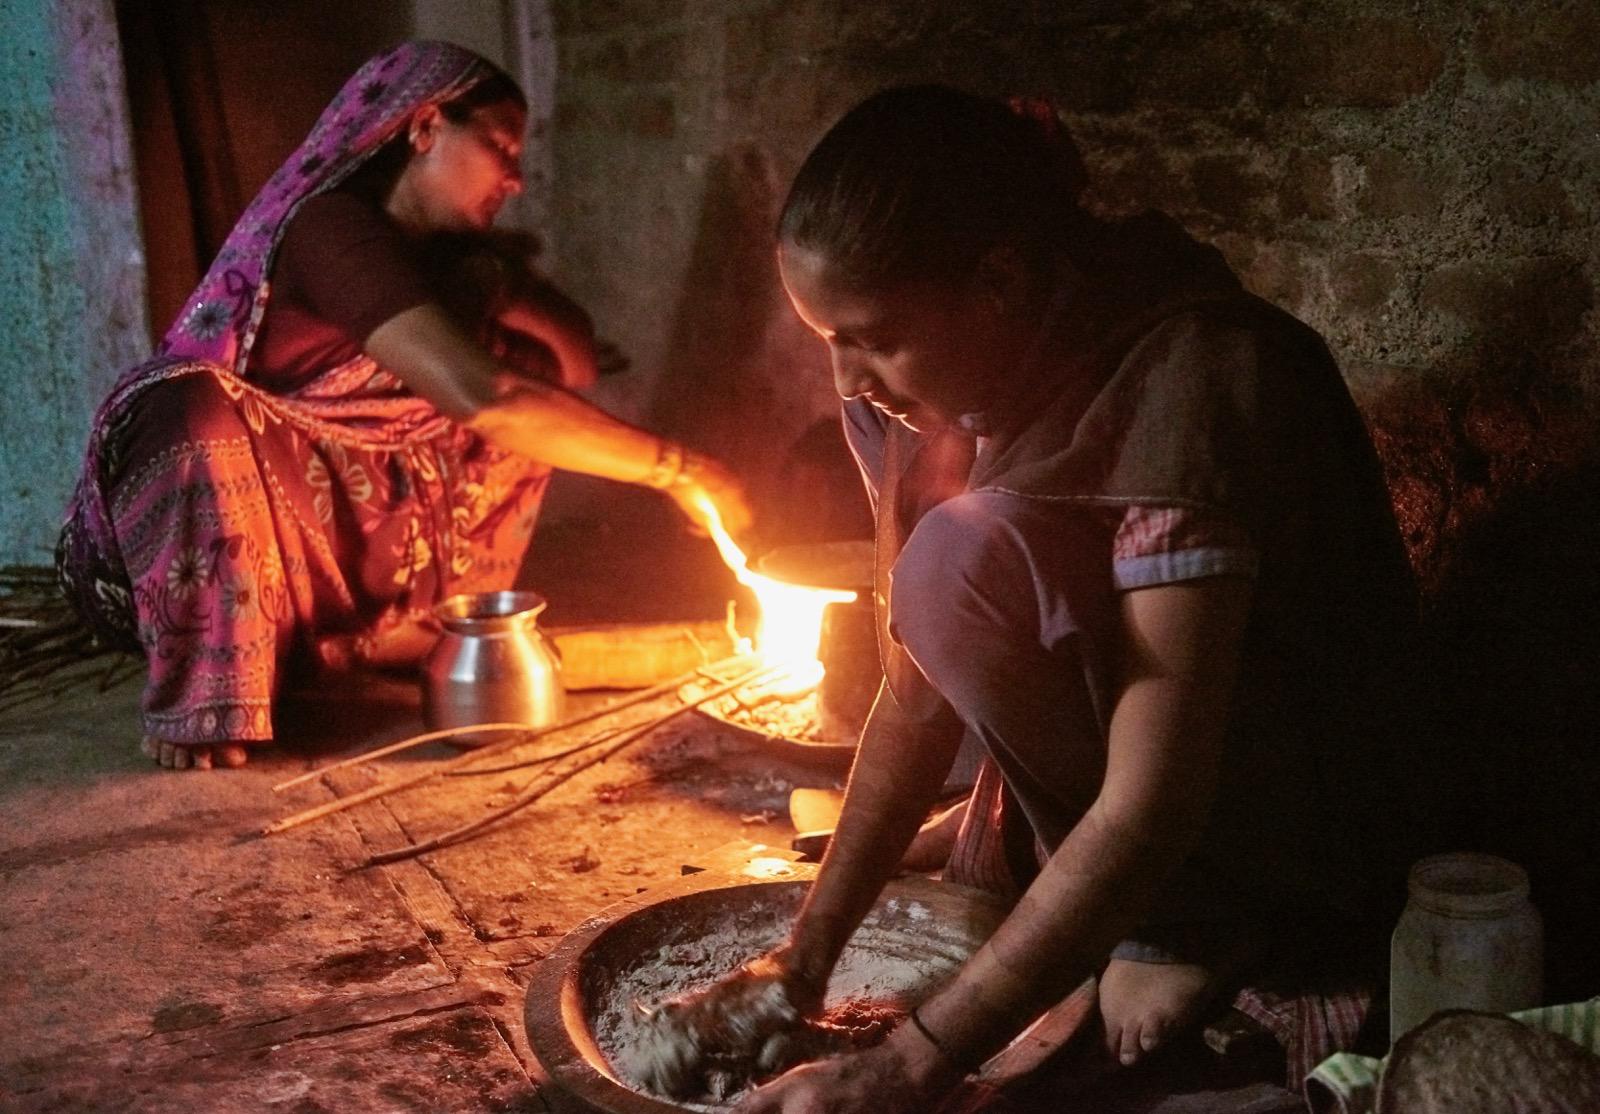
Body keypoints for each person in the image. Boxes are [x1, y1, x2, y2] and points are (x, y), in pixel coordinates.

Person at [636, 85, 1417, 1110]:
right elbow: (913, 695)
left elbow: (1153, 793)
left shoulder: (1191, 382)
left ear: (998, 280)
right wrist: (801, 960)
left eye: (868, 335)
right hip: (1133, 769)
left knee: (960, 560)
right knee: (942, 572)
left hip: (1271, 800)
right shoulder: (929, 399)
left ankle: (1184, 922)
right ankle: (1085, 894)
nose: (845, 373)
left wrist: (907, 1063)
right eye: (824, 334)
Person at [56, 42, 751, 771]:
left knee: (529, 379)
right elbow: (485, 398)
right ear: (423, 129)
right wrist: (683, 471)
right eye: (500, 147)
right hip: (246, 517)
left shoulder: (446, 254)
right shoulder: (331, 227)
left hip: (336, 517)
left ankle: (396, 628)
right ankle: (206, 685)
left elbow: (571, 362)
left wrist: (499, 284)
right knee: (187, 410)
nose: (514, 180)